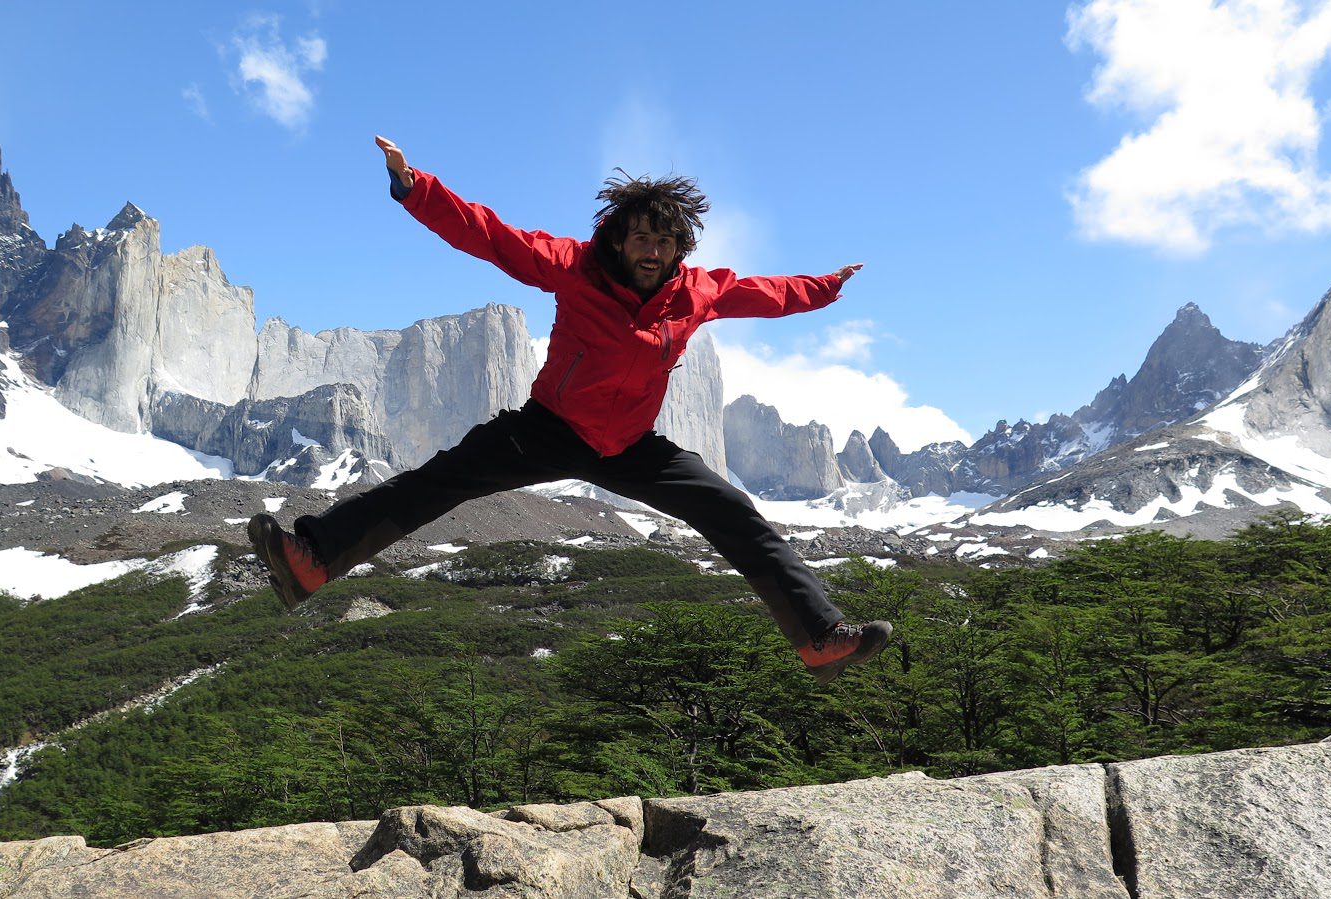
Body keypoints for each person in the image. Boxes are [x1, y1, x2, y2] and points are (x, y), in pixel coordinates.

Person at [249, 135, 891, 684]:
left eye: (665, 241)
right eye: (641, 236)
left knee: (733, 512)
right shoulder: (575, 268)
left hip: (632, 445)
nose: (652, 250)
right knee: (437, 481)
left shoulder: (697, 292)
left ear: (678, 248)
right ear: (617, 238)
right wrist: (416, 187)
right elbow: (489, 235)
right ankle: (313, 560)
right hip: (549, 428)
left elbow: (767, 293)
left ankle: (818, 639)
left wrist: (826, 287)